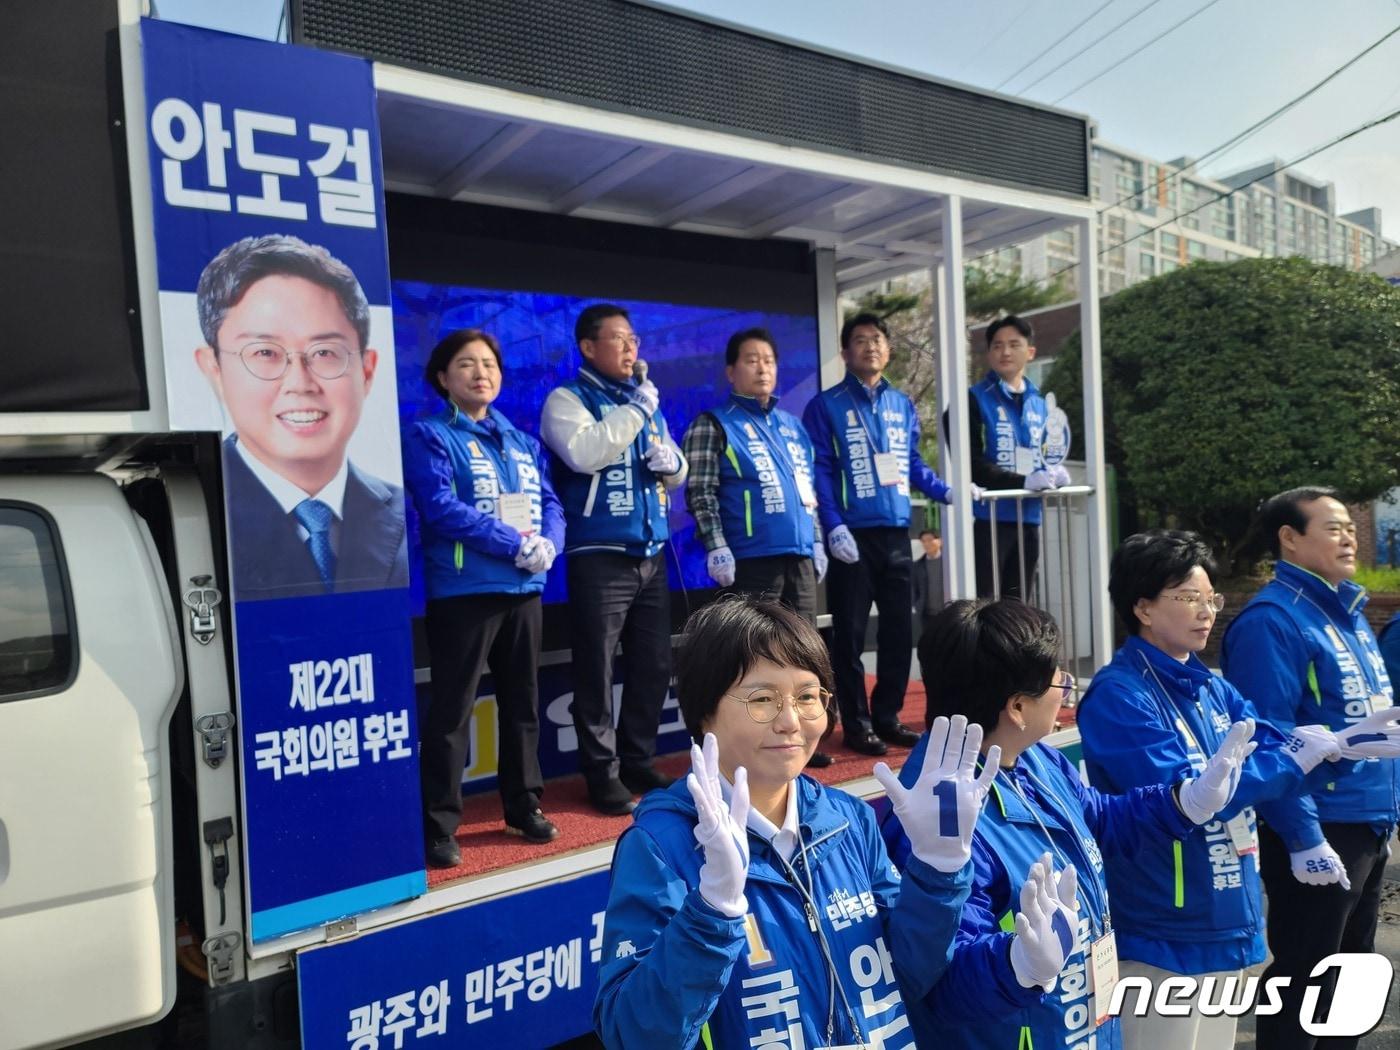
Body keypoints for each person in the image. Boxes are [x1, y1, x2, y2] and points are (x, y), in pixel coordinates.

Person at [595, 596, 1036, 1049]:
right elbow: (631, 1034)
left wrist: (937, 874)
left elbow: (910, 973)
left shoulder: (849, 819)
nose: (790, 721)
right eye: (762, 699)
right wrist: (711, 913)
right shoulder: (660, 846)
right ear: (704, 710)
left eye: (807, 697)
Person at [881, 598, 1257, 1050]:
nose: (1066, 686)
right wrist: (1018, 965)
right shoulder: (938, 817)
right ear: (1017, 707)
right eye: (1057, 678)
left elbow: (1096, 817)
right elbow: (941, 983)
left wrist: (1185, 803)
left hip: (1081, 1021)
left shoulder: (1033, 758)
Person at [1077, 530, 1400, 1050]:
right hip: (1164, 930)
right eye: (1188, 597)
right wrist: (1303, 756)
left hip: (1224, 918)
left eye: (1212, 598)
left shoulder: (1210, 685)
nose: (1206, 611)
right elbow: (1190, 796)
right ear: (1142, 607)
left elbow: (1275, 748)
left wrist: (1336, 749)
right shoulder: (1121, 695)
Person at [1221, 488, 1400, 1050]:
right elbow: (1268, 739)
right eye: (1333, 528)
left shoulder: (1347, 613)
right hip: (1321, 828)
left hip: (1368, 821)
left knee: (1349, 985)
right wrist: (1302, 837)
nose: (1348, 537)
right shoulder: (1272, 621)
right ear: (1290, 538)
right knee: (1304, 984)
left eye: (1350, 527)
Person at [402, 328, 565, 868]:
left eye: (490, 364)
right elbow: (441, 507)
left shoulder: (520, 441)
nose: (481, 373)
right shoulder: (429, 435)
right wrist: (514, 542)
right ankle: (440, 825)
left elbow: (550, 502)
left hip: (524, 591)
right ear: (443, 378)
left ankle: (524, 806)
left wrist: (549, 545)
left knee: (523, 706)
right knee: (452, 711)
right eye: (467, 365)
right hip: (464, 593)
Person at [194, 234, 408, 603]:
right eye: (264, 352)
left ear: (367, 370)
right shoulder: (195, 508)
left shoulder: (401, 511)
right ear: (214, 369)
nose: (300, 383)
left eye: (325, 352)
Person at [541, 303, 687, 816]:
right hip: (599, 554)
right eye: (620, 339)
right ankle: (601, 773)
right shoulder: (567, 398)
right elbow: (584, 452)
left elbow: (673, 466)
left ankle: (637, 757)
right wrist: (640, 409)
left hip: (650, 551)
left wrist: (675, 464)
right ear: (588, 346)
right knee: (596, 668)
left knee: (654, 663)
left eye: (634, 340)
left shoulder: (640, 401)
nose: (631, 349)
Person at [802, 312, 953, 757]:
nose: (871, 346)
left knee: (896, 631)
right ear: (846, 352)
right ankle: (856, 722)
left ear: (888, 350)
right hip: (853, 536)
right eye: (861, 340)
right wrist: (834, 527)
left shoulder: (901, 403)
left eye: (878, 340)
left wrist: (947, 491)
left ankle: (887, 716)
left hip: (894, 534)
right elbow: (820, 472)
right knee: (848, 634)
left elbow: (911, 463)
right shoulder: (826, 405)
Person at [681, 327, 832, 768]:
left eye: (768, 359)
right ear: (731, 371)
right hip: (750, 557)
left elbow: (808, 490)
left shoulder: (791, 426)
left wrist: (817, 538)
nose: (762, 367)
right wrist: (717, 545)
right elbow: (701, 492)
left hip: (799, 553)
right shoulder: (714, 423)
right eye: (751, 359)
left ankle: (801, 737)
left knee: (803, 650)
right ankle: (750, 742)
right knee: (752, 653)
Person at [949, 315, 1069, 600]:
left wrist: (1055, 471)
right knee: (987, 604)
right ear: (988, 353)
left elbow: (1049, 450)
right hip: (990, 518)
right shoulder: (973, 399)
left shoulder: (1040, 403)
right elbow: (971, 466)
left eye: (1014, 344)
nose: (1005, 352)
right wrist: (1025, 480)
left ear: (1030, 352)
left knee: (1020, 603)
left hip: (1028, 518)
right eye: (997, 346)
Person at [911, 527, 945, 633]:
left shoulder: (949, 562)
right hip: (927, 615)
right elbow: (914, 589)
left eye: (930, 540)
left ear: (940, 541)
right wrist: (916, 605)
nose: (927, 544)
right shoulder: (917, 566)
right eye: (923, 541)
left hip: (948, 612)